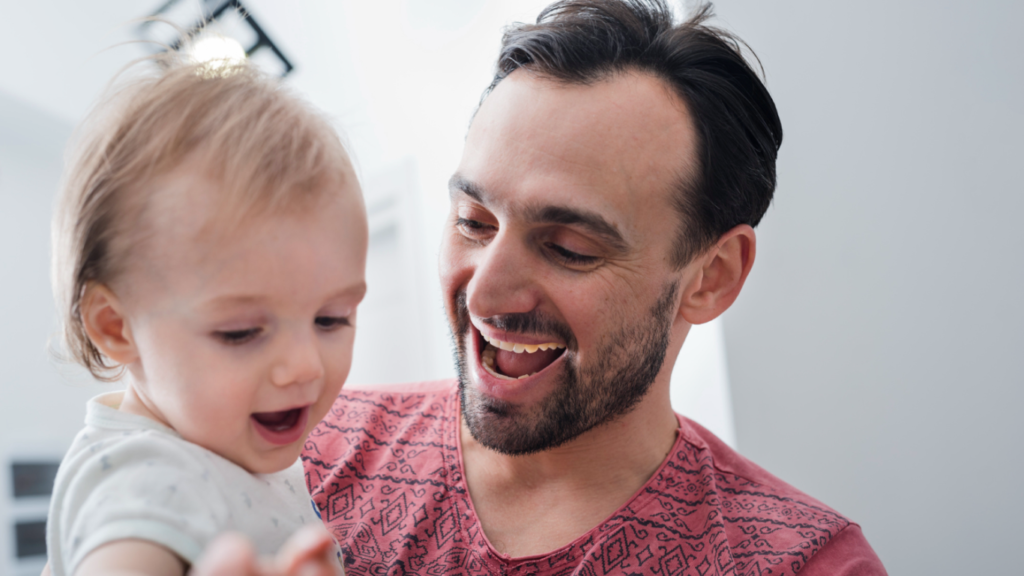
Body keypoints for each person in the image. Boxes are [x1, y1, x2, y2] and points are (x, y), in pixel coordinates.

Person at [300, 1, 887, 575]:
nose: (484, 297)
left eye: (569, 249)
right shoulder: (302, 453)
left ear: (712, 277)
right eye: (473, 222)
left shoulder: (805, 563)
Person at [43, 51, 365, 576]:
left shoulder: (228, 446)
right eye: (241, 332)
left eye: (331, 318)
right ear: (115, 327)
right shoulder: (144, 477)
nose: (306, 365)